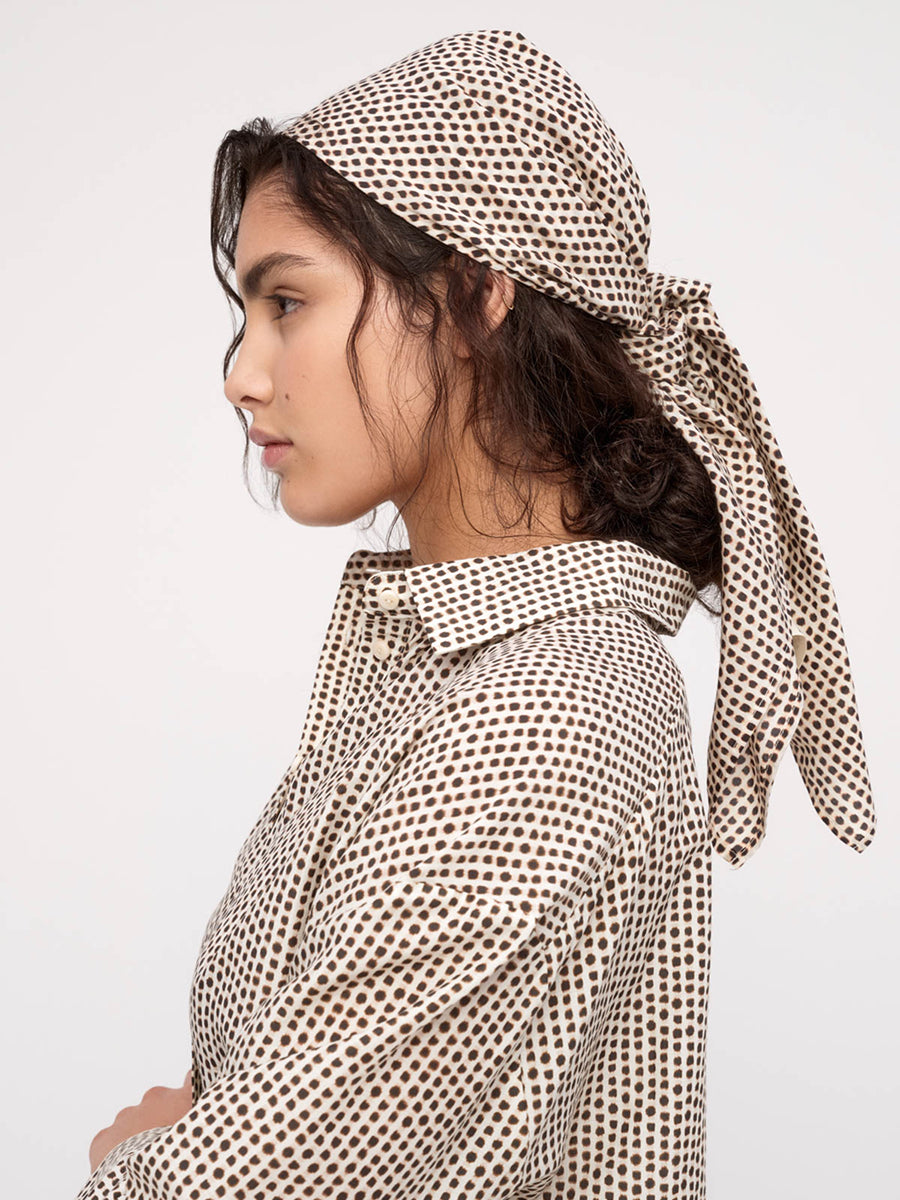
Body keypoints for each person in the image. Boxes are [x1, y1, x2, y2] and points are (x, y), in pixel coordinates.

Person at [76, 29, 875, 1200]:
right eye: (249, 314)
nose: (242, 374)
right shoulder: (465, 671)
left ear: (475, 295)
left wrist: (129, 1163)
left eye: (288, 301)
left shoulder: (551, 711)